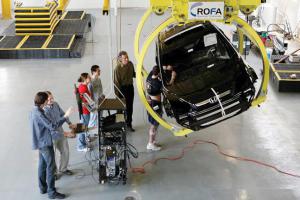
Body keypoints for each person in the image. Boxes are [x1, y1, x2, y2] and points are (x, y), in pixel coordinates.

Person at [29, 92, 74, 199]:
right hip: (45, 143)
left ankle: (43, 187)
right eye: (47, 100)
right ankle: (51, 192)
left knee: (42, 165)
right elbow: (52, 126)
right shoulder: (40, 114)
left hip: (40, 142)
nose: (49, 101)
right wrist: (66, 116)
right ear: (44, 101)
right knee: (51, 167)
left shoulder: (34, 110)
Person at [44, 91, 76, 179]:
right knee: (52, 154)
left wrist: (69, 123)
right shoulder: (44, 111)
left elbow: (63, 114)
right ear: (45, 100)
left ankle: (63, 169)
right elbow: (52, 126)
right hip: (51, 134)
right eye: (49, 99)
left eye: (52, 98)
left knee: (65, 150)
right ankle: (54, 173)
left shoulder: (55, 104)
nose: (51, 100)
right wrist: (66, 134)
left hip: (59, 129)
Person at [114, 51, 136, 132]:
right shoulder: (117, 68)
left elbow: (134, 74)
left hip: (130, 88)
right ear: (120, 59)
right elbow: (116, 83)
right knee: (120, 108)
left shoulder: (130, 64)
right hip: (122, 89)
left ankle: (129, 124)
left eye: (127, 57)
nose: (127, 59)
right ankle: (119, 126)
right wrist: (117, 95)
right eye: (124, 58)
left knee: (130, 107)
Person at [146, 66, 163, 151]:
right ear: (159, 73)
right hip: (156, 105)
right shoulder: (157, 84)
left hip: (151, 103)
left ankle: (153, 141)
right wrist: (173, 77)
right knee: (154, 125)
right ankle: (150, 143)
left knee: (155, 124)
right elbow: (167, 85)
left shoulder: (149, 77)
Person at [77, 73, 92, 151]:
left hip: (86, 110)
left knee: (84, 127)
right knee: (82, 128)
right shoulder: (82, 88)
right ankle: (80, 146)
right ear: (85, 79)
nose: (90, 78)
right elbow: (84, 101)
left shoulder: (84, 86)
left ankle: (83, 143)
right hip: (84, 111)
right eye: (89, 77)